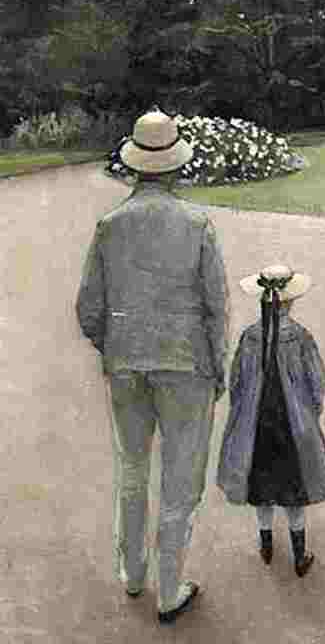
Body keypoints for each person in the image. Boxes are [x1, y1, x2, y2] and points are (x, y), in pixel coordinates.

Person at [76, 109, 229, 624]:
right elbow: (216, 306)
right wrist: (218, 365)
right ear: (175, 166)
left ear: (136, 165)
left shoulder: (110, 226)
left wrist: (114, 346)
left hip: (126, 365)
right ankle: (169, 588)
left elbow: (89, 308)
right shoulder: (197, 224)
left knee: (133, 469)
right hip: (187, 365)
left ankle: (133, 574)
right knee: (181, 479)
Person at [217, 264, 325, 578]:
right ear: (290, 301)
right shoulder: (300, 337)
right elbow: (317, 381)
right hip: (291, 429)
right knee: (293, 492)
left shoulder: (249, 337)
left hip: (256, 426)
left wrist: (241, 413)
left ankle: (266, 545)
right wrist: (312, 411)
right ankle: (299, 556)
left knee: (262, 489)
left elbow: (236, 382)